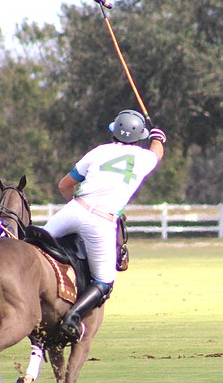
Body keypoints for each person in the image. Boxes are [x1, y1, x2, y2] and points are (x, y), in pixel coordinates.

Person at [44, 109, 166, 343]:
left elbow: (64, 185)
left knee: (31, 245)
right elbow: (157, 152)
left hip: (75, 209)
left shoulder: (99, 151)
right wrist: (158, 137)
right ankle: (72, 318)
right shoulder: (143, 158)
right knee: (104, 281)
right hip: (101, 222)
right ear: (139, 136)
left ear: (114, 132)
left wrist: (74, 204)